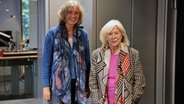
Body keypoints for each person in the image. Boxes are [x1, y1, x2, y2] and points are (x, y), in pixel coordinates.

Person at [42, 0, 91, 104]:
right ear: (64, 14)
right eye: (70, 12)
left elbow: (87, 62)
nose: (73, 15)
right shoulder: (52, 33)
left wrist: (87, 85)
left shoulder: (83, 35)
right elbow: (46, 62)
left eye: (76, 12)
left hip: (79, 84)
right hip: (59, 85)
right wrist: (45, 86)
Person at [89, 19, 146, 104]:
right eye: (110, 34)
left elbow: (140, 81)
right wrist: (97, 101)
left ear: (122, 35)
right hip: (103, 101)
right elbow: (92, 81)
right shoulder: (97, 54)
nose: (113, 37)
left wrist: (131, 100)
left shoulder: (132, 54)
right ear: (106, 36)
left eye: (116, 33)